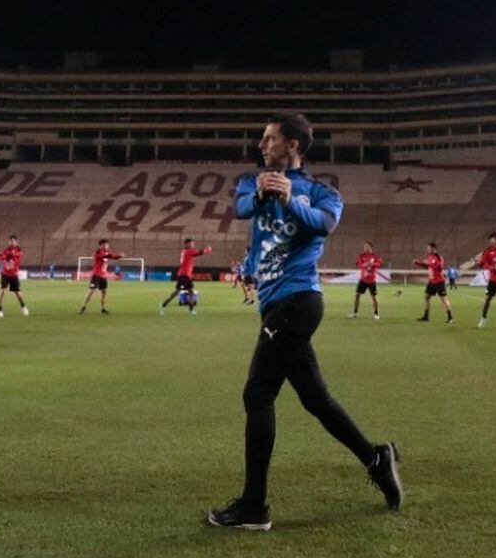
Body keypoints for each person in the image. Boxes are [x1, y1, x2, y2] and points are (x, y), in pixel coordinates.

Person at [206, 112, 401, 531]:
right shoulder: (250, 181)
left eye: (270, 139)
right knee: (316, 399)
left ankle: (254, 507)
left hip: (298, 300)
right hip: (276, 303)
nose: (262, 146)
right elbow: (240, 209)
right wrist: (263, 193)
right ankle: (376, 458)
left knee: (258, 395)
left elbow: (323, 224)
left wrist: (290, 197)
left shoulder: (322, 192)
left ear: (293, 145)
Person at [161, 238, 214, 315]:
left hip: (183, 274)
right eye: (192, 243)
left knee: (177, 292)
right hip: (185, 275)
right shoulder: (189, 251)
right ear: (187, 244)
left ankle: (163, 305)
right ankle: (191, 310)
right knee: (190, 291)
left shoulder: (184, 251)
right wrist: (208, 249)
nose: (193, 245)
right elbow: (200, 252)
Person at [79, 239, 122, 314]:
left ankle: (103, 308)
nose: (107, 246)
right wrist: (112, 255)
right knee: (91, 291)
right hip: (96, 275)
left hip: (103, 276)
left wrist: (119, 256)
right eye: (106, 244)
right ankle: (84, 306)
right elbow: (104, 256)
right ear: (102, 245)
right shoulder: (98, 252)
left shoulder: (106, 252)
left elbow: (112, 256)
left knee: (104, 292)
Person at [413, 243, 454, 323]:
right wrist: (418, 263)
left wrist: (430, 264)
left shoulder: (438, 257)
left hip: (439, 282)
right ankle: (426, 316)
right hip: (431, 282)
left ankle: (450, 318)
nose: (427, 249)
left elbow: (439, 268)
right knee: (426, 297)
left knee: (443, 300)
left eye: (429, 248)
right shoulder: (430, 257)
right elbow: (428, 266)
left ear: (434, 248)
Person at [0, 234, 28, 317]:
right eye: (10, 241)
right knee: (2, 292)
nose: (12, 242)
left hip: (13, 275)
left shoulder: (19, 250)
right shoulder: (5, 250)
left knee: (18, 293)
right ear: (8, 242)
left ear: (16, 242)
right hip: (5, 274)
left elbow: (13, 255)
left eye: (13, 241)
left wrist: (1, 257)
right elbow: (0, 256)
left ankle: (23, 306)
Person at [350, 241, 383, 319]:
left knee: (374, 297)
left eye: (367, 246)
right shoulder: (362, 256)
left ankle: (376, 314)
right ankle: (355, 313)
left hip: (371, 280)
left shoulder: (375, 256)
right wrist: (364, 265)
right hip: (363, 279)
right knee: (357, 295)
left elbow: (379, 264)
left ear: (370, 247)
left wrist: (372, 264)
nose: (365, 248)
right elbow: (358, 264)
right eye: (364, 247)